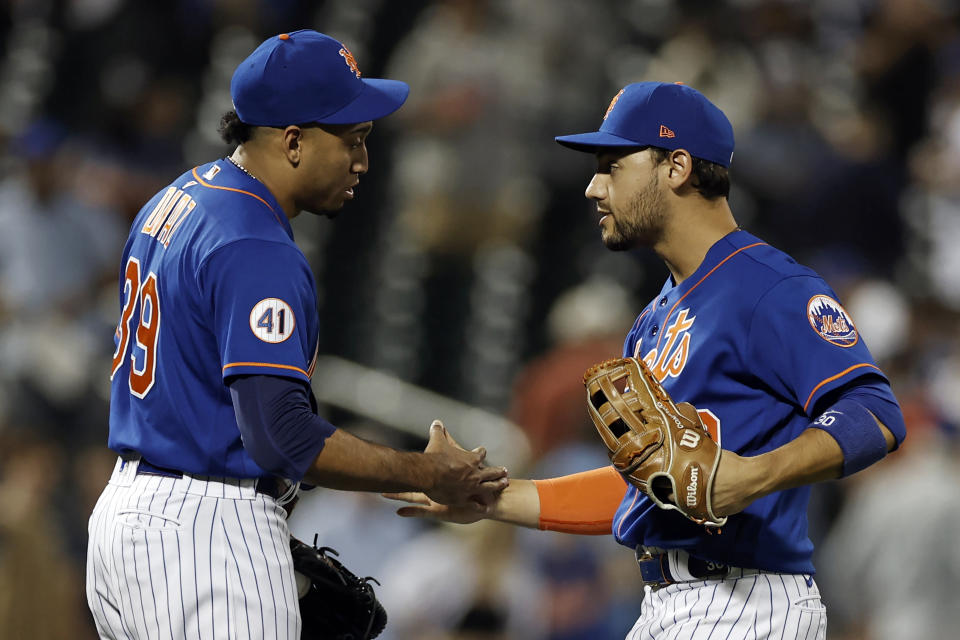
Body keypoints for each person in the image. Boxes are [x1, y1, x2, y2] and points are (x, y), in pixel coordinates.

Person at [388, 82, 906, 639]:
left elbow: (876, 413)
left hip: (746, 601)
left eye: (612, 165)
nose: (592, 187)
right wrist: (489, 497)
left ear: (677, 166)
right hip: (668, 602)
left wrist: (754, 475)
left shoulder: (768, 286)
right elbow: (643, 491)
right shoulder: (652, 321)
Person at [85, 30, 507, 640]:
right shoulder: (256, 243)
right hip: (207, 535)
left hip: (130, 520)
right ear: (292, 141)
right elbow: (279, 433)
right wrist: (425, 472)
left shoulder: (177, 198)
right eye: (352, 141)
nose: (363, 161)